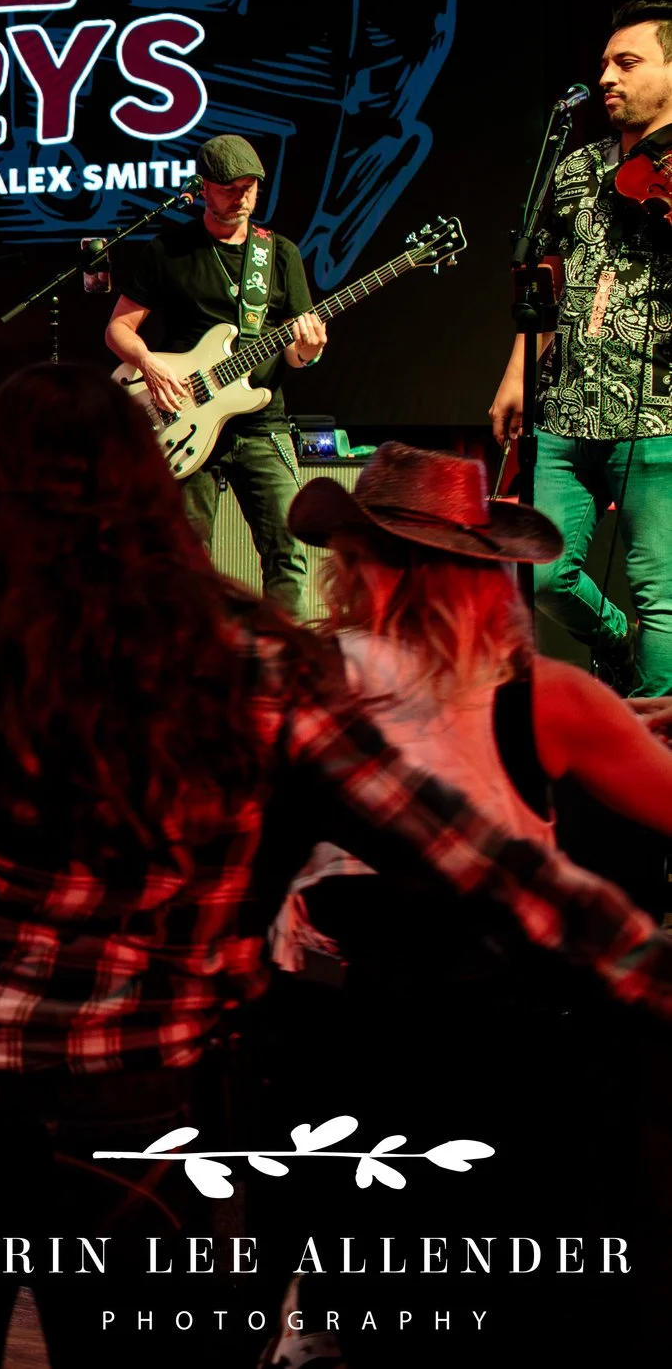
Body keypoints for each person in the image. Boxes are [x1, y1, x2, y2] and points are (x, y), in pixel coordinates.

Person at [0, 364, 672, 1369]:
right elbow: (468, 855)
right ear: (150, 486)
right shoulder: (251, 656)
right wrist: (646, 965)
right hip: (125, 1097)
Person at [252, 444, 672, 1363]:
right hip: (490, 1056)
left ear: (356, 564)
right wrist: (620, 722)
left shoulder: (298, 677)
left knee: (358, 1308)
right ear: (485, 576)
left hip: (330, 1041)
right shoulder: (550, 699)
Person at [490, 0, 672, 694]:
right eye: (603, 64)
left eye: (627, 63)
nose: (607, 77)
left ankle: (657, 754)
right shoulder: (574, 169)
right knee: (540, 572)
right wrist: (515, 376)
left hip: (659, 418)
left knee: (663, 596)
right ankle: (610, 637)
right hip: (563, 411)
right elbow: (549, 286)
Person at [106, 134, 328, 611]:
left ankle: (285, 666)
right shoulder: (169, 250)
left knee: (287, 551)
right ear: (203, 187)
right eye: (231, 188)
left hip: (261, 423)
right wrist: (149, 362)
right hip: (186, 418)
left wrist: (307, 350)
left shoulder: (280, 253)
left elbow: (295, 354)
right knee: (186, 557)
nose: (243, 198)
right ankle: (194, 663)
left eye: (251, 188)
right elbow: (119, 330)